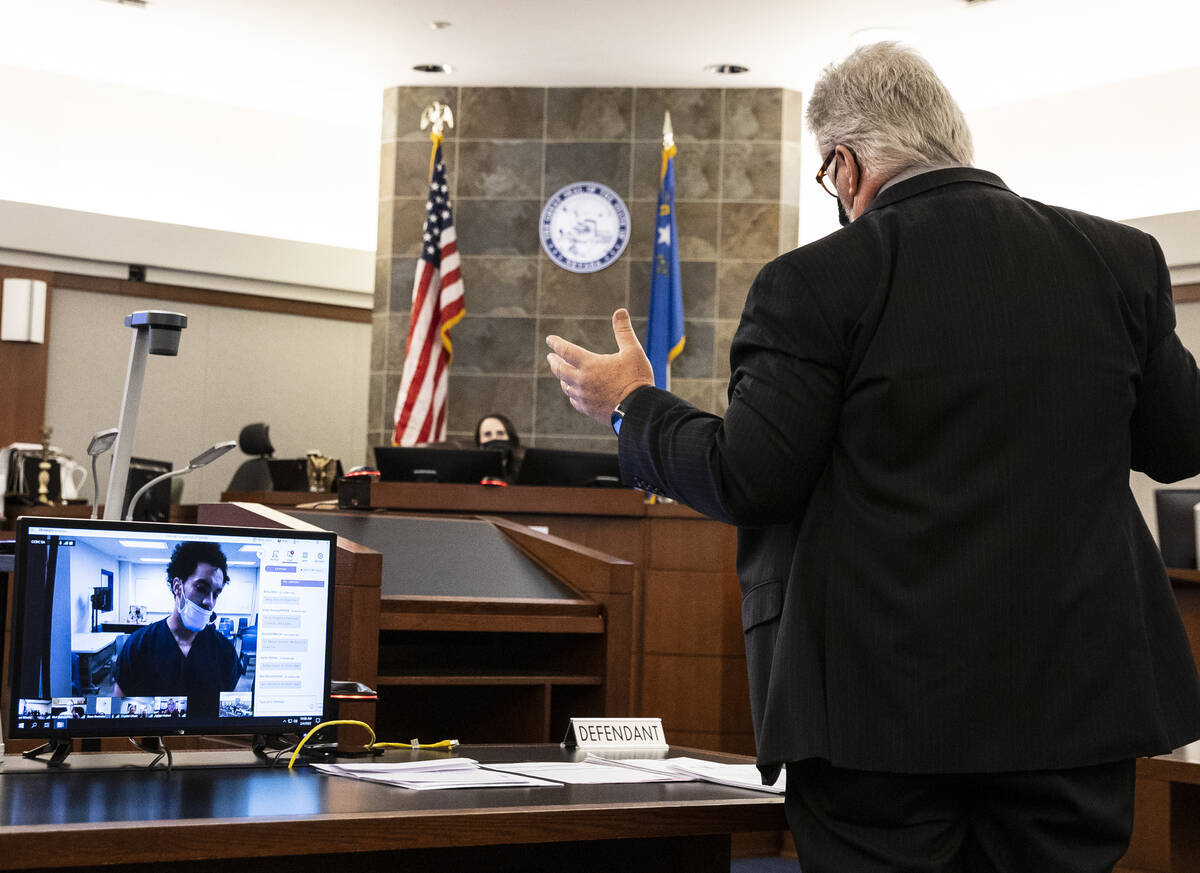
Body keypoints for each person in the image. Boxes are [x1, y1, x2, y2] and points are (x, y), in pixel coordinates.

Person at [545, 42, 1200, 873]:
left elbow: (752, 474)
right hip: (1075, 710)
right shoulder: (1119, 260)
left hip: (878, 717)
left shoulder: (817, 282)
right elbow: (1182, 444)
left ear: (845, 166)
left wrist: (632, 405)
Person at [113, 541, 242, 719]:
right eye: (201, 588)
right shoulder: (138, 645)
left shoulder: (225, 651)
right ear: (177, 586)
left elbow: (227, 715)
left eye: (216, 593)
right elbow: (118, 708)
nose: (209, 602)